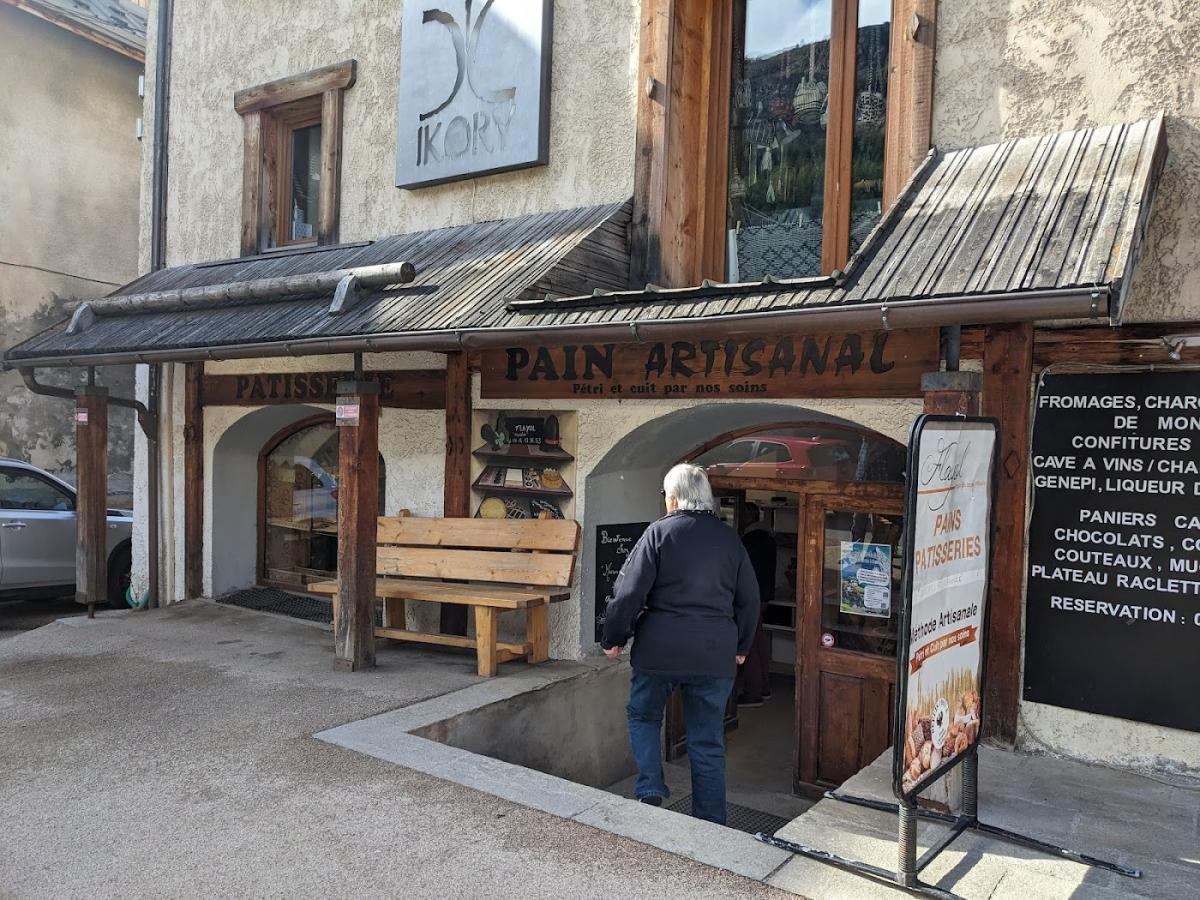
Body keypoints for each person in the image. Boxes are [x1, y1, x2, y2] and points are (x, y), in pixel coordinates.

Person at [600, 463, 760, 825]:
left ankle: (651, 786)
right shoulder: (730, 540)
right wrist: (742, 646)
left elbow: (628, 593)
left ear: (672, 499)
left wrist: (614, 638)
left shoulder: (658, 534)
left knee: (643, 714)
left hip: (660, 649)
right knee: (707, 740)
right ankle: (710, 824)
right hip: (713, 653)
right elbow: (750, 599)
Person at [737, 502, 775, 707]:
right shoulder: (767, 537)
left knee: (749, 642)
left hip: (750, 597)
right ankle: (764, 686)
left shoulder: (751, 541)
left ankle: (753, 692)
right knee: (758, 640)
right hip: (764, 596)